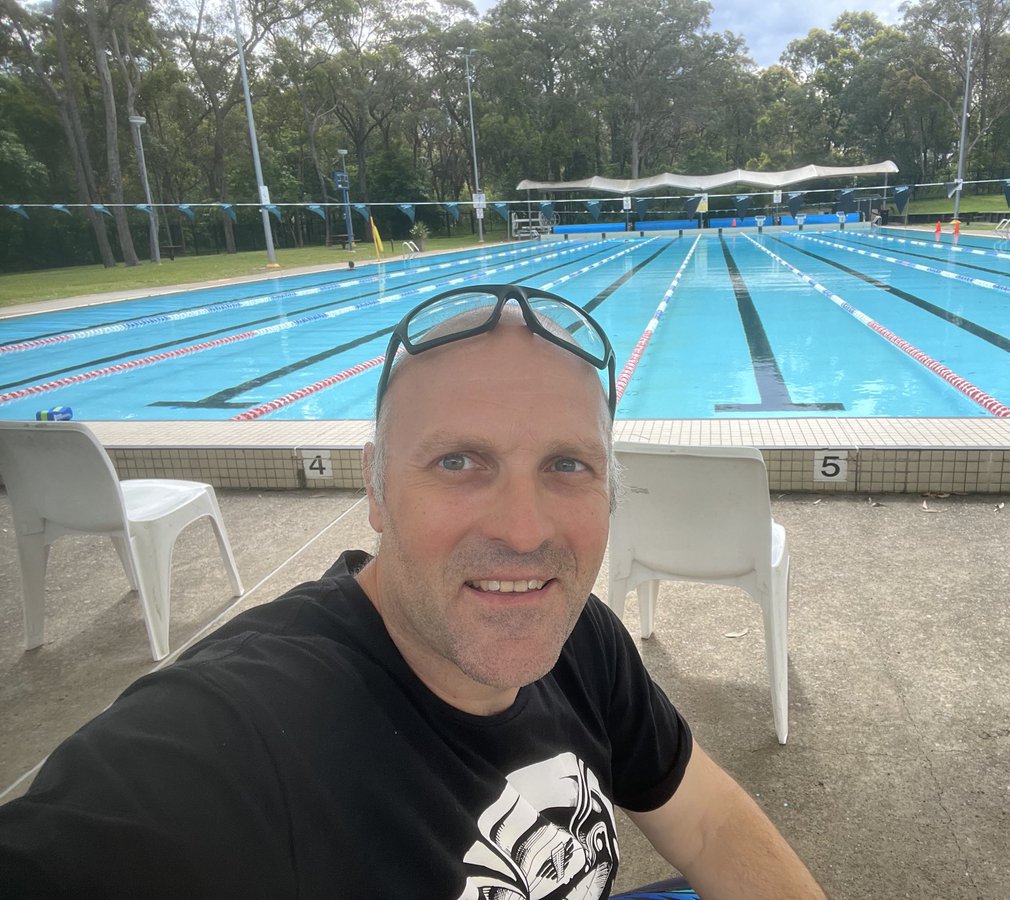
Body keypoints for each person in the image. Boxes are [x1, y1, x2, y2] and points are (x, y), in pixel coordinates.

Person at [0, 284, 826, 900]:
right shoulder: (237, 735)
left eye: (566, 465)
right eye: (458, 462)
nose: (526, 529)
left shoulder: (583, 640)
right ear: (375, 487)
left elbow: (712, 822)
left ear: (611, 486)